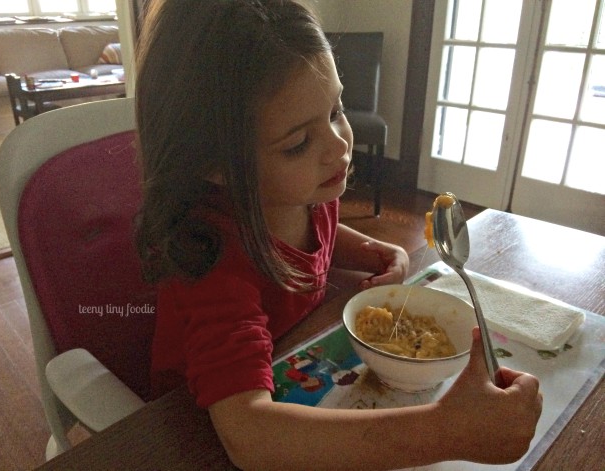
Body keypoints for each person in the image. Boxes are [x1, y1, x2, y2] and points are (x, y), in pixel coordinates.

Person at [134, 1, 542, 470]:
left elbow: (318, 229)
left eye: (336, 109)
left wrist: (369, 250)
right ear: (214, 167)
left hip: (297, 357)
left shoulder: (304, 189)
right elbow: (250, 436)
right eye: (297, 143)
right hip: (196, 430)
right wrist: (446, 431)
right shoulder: (212, 262)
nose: (339, 145)